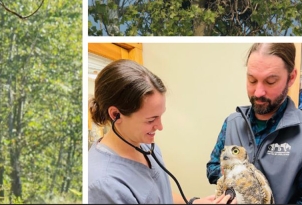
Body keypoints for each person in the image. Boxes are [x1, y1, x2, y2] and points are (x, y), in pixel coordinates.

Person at [88, 59, 234, 204]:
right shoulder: (103, 184)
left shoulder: (146, 146)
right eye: (151, 120)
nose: (160, 126)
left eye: (160, 115)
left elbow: (158, 195)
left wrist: (193, 203)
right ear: (115, 115)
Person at [206, 43, 302, 204]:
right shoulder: (231, 123)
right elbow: (212, 167)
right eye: (252, 80)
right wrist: (239, 183)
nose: (258, 92)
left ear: (291, 77)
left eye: (270, 81)